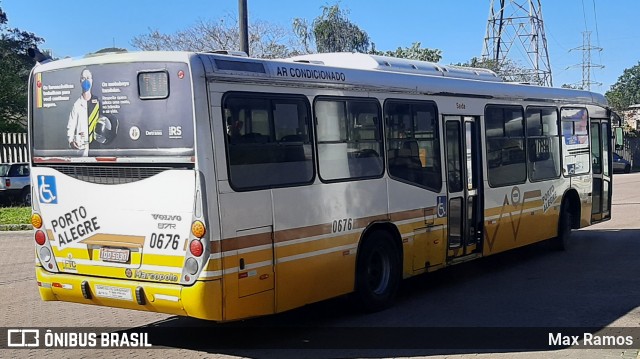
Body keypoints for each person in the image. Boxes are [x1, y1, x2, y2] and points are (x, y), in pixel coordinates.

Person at [67, 69, 100, 155]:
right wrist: (71, 141)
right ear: (80, 81)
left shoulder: (98, 102)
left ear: (92, 81)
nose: (86, 81)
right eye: (83, 78)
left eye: (88, 78)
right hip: (82, 149)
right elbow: (71, 125)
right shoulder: (77, 105)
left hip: (97, 147)